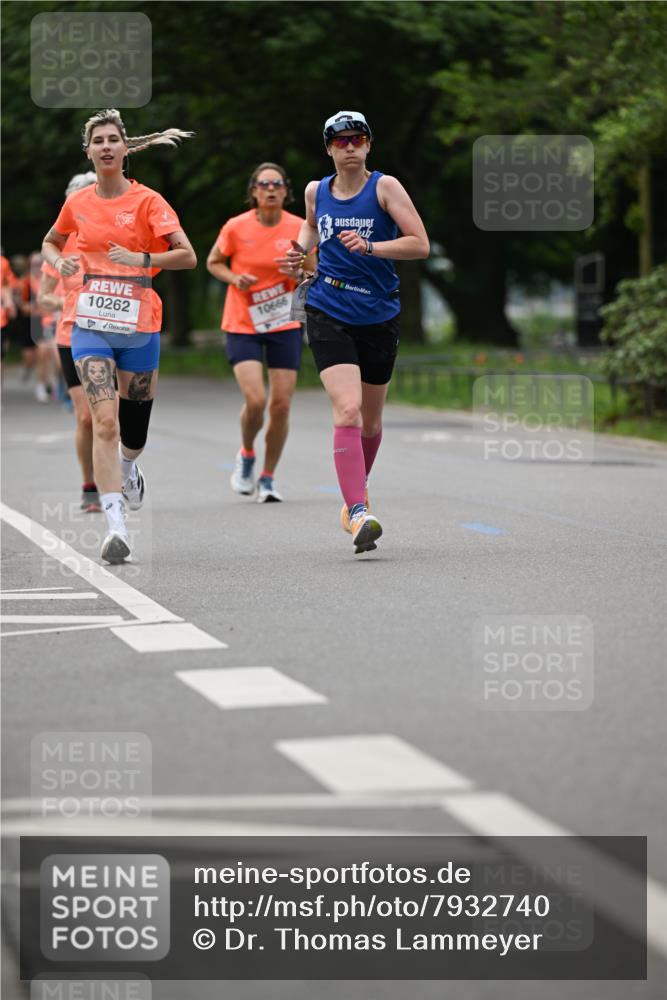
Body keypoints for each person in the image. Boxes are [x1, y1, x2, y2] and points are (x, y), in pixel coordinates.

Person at [41, 108, 197, 564]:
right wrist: (60, 263)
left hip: (139, 324)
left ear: (125, 149)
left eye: (113, 139)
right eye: (98, 141)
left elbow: (186, 256)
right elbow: (51, 241)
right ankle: (116, 527)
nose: (106, 146)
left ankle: (129, 468)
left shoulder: (149, 201)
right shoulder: (78, 203)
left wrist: (141, 259)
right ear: (88, 151)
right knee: (102, 422)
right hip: (89, 324)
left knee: (134, 427)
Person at [285, 111, 429, 554]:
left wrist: (371, 246)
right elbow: (310, 225)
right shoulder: (315, 191)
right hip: (328, 307)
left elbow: (419, 244)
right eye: (339, 141)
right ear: (328, 148)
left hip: (379, 312)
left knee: (370, 420)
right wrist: (299, 251)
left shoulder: (384, 187)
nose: (349, 147)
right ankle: (357, 510)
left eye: (357, 139)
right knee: (346, 410)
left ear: (368, 146)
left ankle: (356, 493)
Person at [206, 163, 314, 502]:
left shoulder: (300, 227)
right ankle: (247, 454)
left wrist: (297, 272)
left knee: (281, 405)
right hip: (243, 322)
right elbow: (213, 262)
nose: (270, 189)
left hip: (284, 322)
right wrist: (234, 278)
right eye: (264, 184)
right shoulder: (236, 227)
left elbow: (313, 273)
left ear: (285, 191)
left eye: (277, 184)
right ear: (253, 191)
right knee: (256, 399)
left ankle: (268, 478)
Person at [38, 172, 101, 511]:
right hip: (71, 336)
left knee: (111, 416)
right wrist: (72, 302)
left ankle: (118, 476)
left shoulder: (110, 239)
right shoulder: (59, 248)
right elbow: (44, 297)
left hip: (110, 334)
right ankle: (90, 485)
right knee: (86, 418)